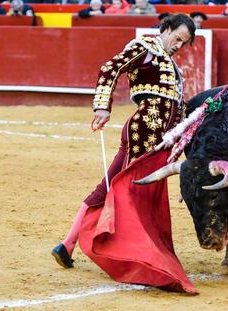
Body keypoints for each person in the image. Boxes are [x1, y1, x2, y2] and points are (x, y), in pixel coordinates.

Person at [52, 13, 197, 293]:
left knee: (113, 187)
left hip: (160, 142)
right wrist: (101, 107)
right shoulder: (144, 47)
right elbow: (110, 68)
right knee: (120, 189)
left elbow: (176, 108)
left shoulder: (171, 65)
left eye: (184, 42)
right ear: (165, 29)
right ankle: (76, 245)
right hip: (142, 134)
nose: (178, 44)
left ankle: (67, 245)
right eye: (177, 37)